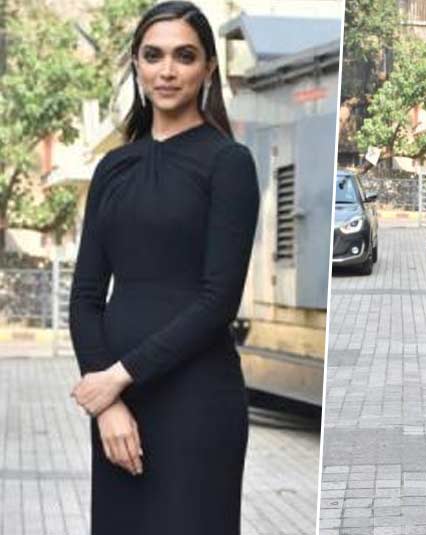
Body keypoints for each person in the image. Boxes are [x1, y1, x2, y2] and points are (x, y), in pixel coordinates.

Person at [68, 2, 260, 533]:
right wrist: (107, 403)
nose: (167, 70)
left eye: (184, 56)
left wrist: (114, 379)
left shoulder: (229, 164)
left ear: (209, 68)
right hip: (118, 406)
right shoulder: (113, 167)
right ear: (136, 63)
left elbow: (218, 301)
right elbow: (85, 295)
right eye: (153, 56)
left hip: (197, 404)